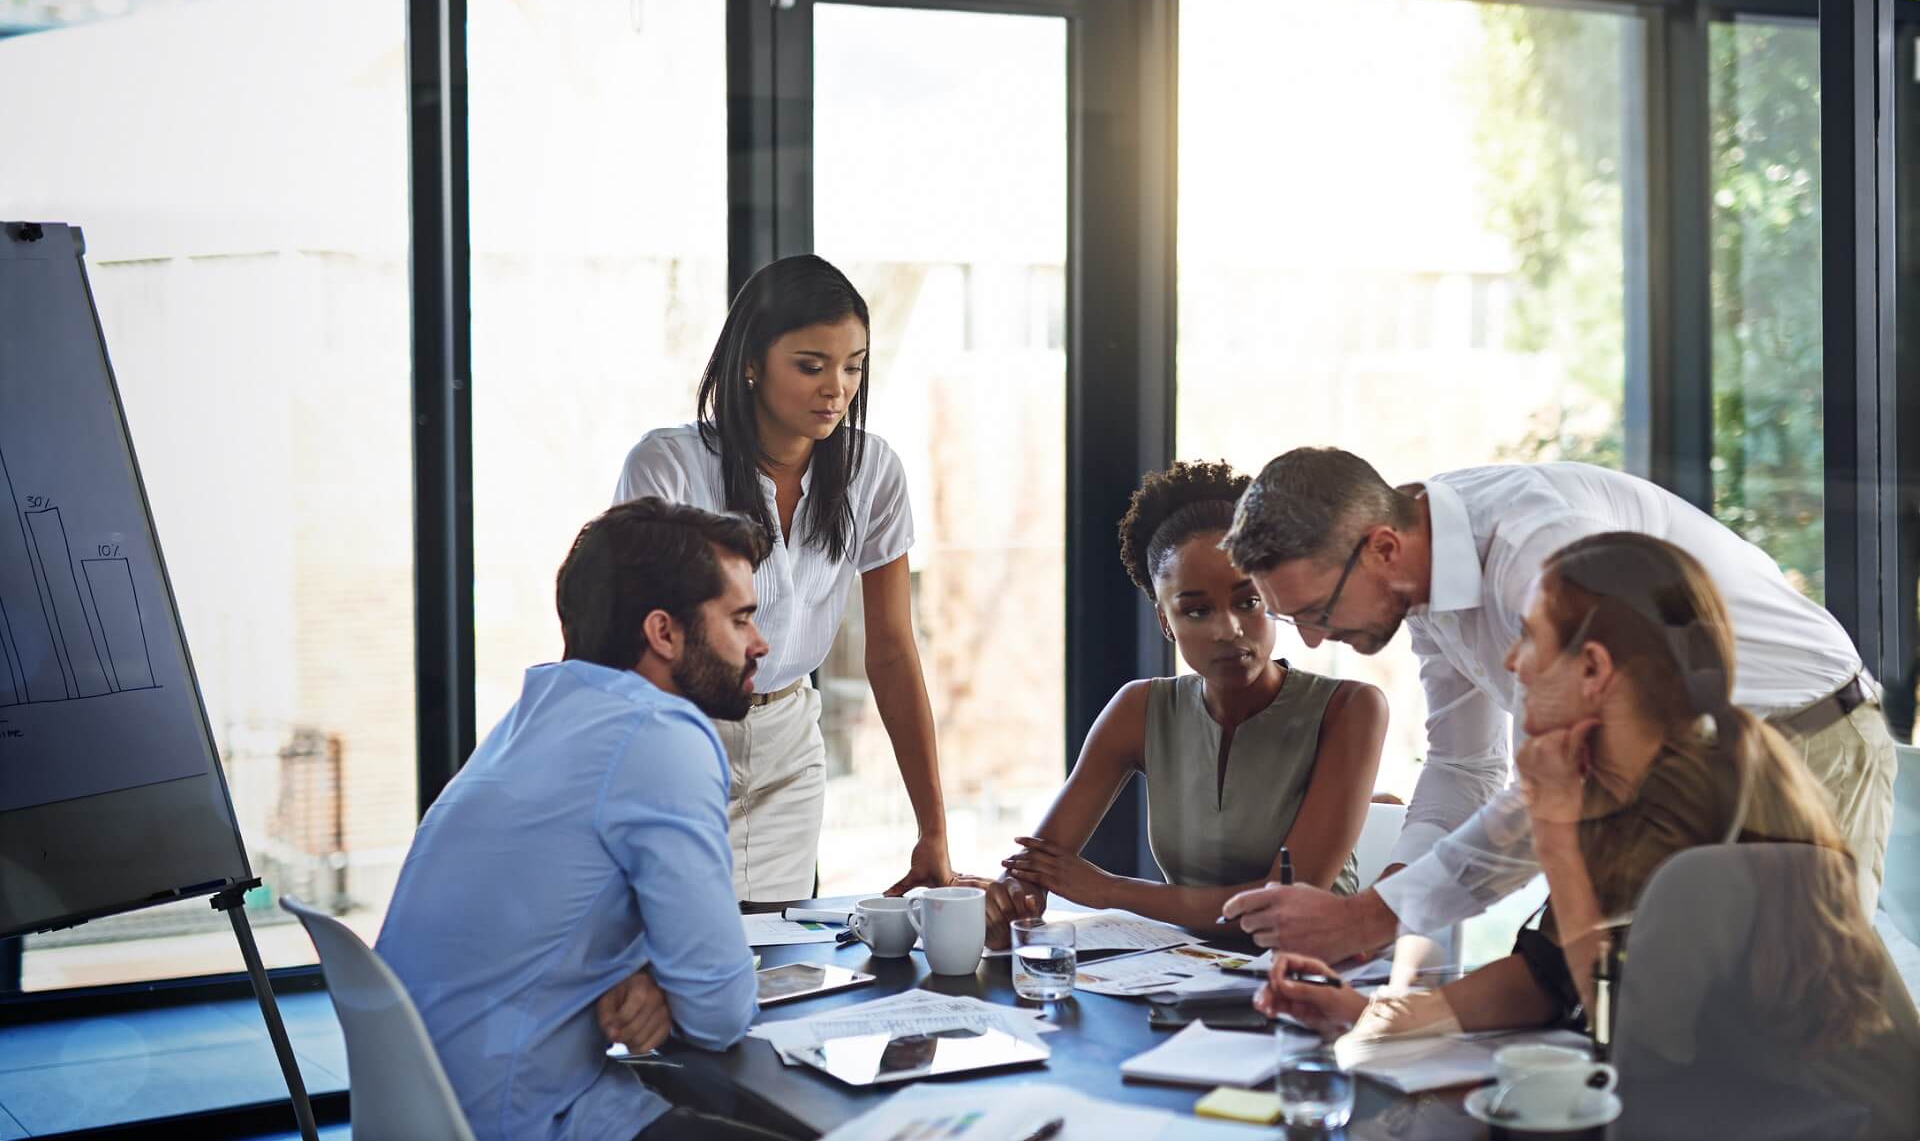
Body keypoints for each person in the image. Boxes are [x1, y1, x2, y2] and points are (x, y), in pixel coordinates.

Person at [1255, 533, 1920, 1140]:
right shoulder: (1630, 788)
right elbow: (1550, 976)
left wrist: (1553, 831)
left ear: (1594, 669)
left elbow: (1627, 1052)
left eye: (1533, 636)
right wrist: (1364, 1012)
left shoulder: (1715, 817)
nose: (1512, 662)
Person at [1217, 449, 1896, 959]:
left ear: (1383, 547)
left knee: (1785, 1022)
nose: (1310, 637)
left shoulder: (1540, 549)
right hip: (1675, 763)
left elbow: (1568, 772)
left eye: (1315, 611)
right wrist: (1380, 910)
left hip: (1802, 736)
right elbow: (1462, 764)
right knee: (1588, 994)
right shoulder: (1416, 580)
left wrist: (1372, 916)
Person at [377, 499, 793, 1141]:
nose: (759, 644)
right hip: (525, 1118)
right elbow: (718, 1010)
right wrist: (671, 985)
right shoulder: (659, 734)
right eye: (740, 619)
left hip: (432, 1111)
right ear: (664, 633)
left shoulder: (535, 718)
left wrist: (652, 977)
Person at [614, 255, 949, 902]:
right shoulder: (669, 466)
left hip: (789, 740)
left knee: (781, 959)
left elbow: (891, 649)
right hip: (680, 735)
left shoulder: (872, 473)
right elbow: (628, 649)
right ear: (751, 362)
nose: (837, 388)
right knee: (682, 956)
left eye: (853, 365)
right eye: (810, 365)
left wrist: (932, 827)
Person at [973, 462, 1386, 944]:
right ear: (1166, 621)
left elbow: (1282, 902)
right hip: (1181, 974)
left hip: (1311, 979)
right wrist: (1010, 896)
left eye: (1248, 601)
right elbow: (1041, 863)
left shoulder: (1351, 709)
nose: (1228, 629)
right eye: (1196, 610)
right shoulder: (1139, 709)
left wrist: (1110, 890)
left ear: (1271, 595)